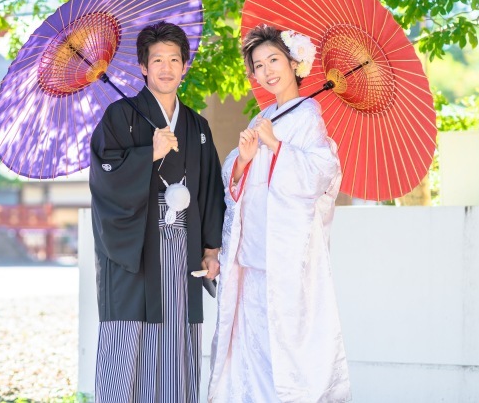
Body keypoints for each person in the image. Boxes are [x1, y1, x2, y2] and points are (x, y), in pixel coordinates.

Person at [208, 24, 351, 402]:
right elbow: (236, 179)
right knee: (250, 345)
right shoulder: (263, 116)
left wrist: (277, 145)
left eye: (274, 60)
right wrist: (243, 159)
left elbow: (321, 173)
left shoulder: (307, 115)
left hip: (283, 256)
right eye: (259, 65)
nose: (268, 70)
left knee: (284, 349)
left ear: (293, 63)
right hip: (253, 250)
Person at [90, 20, 225, 402]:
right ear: (144, 68)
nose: (166, 67)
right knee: (127, 341)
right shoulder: (120, 116)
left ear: (185, 66)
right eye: (157, 60)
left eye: (174, 59)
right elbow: (104, 177)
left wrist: (211, 250)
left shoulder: (197, 126)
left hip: (183, 245)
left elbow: (211, 190)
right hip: (137, 247)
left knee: (177, 340)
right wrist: (149, 153)